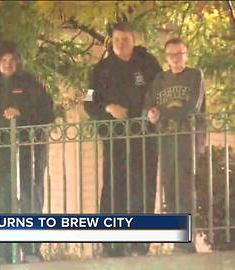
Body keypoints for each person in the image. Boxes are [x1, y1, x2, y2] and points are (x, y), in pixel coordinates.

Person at [83, 22, 162, 257]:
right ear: (111, 42)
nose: (121, 44)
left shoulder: (149, 63)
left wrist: (155, 111)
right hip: (115, 138)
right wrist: (108, 107)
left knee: (144, 187)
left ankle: (140, 244)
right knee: (114, 188)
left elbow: (162, 90)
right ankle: (111, 244)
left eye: (125, 39)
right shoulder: (99, 70)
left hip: (145, 136)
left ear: (133, 39)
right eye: (116, 40)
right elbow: (88, 102)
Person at [0, 41, 55, 264]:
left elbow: (48, 113)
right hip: (0, 153)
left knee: (31, 198)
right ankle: (6, 253)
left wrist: (21, 113)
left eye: (12, 60)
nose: (8, 64)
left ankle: (32, 251)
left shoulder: (31, 84)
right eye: (3, 60)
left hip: (29, 151)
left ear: (18, 62)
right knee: (4, 201)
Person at [144, 37, 206, 253]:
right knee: (169, 190)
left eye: (180, 54)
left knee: (186, 191)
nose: (176, 59)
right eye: (172, 55)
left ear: (186, 55)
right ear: (166, 57)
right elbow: (148, 106)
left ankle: (188, 243)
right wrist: (151, 114)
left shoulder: (194, 75)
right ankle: (176, 242)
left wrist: (162, 114)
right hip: (166, 141)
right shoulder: (160, 79)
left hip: (187, 139)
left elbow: (191, 107)